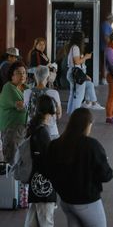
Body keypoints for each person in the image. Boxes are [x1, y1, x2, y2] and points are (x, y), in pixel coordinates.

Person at [46, 108, 113, 227]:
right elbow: (106, 175)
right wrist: (104, 162)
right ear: (88, 125)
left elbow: (49, 171)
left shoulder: (55, 144)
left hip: (66, 202)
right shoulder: (91, 145)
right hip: (87, 202)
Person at [24, 95, 57, 227]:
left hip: (35, 182)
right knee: (46, 221)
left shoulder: (34, 128)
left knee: (32, 220)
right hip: (44, 186)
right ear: (49, 112)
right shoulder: (42, 132)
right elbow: (46, 161)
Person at [66, 31, 104, 114]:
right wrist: (86, 57)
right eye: (83, 38)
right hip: (76, 73)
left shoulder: (73, 47)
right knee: (79, 95)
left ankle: (89, 103)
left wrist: (85, 75)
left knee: (82, 89)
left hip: (75, 72)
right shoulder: (76, 48)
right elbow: (77, 62)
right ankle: (75, 113)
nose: (84, 40)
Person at [24, 65, 62, 139]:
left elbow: (26, 110)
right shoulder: (54, 93)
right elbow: (59, 115)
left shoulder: (26, 92)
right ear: (48, 78)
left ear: (35, 77)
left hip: (32, 131)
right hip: (51, 131)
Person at [0, 61, 27, 164]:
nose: (22, 75)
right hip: (11, 129)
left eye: (24, 72)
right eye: (19, 73)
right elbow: (22, 107)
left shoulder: (26, 87)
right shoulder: (8, 87)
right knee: (12, 160)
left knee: (21, 159)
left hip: (23, 128)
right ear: (12, 75)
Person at [100, 13, 113, 84]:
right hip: (105, 47)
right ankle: (104, 78)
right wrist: (111, 45)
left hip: (106, 47)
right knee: (105, 63)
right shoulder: (105, 24)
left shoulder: (106, 25)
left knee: (106, 63)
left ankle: (105, 77)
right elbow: (106, 37)